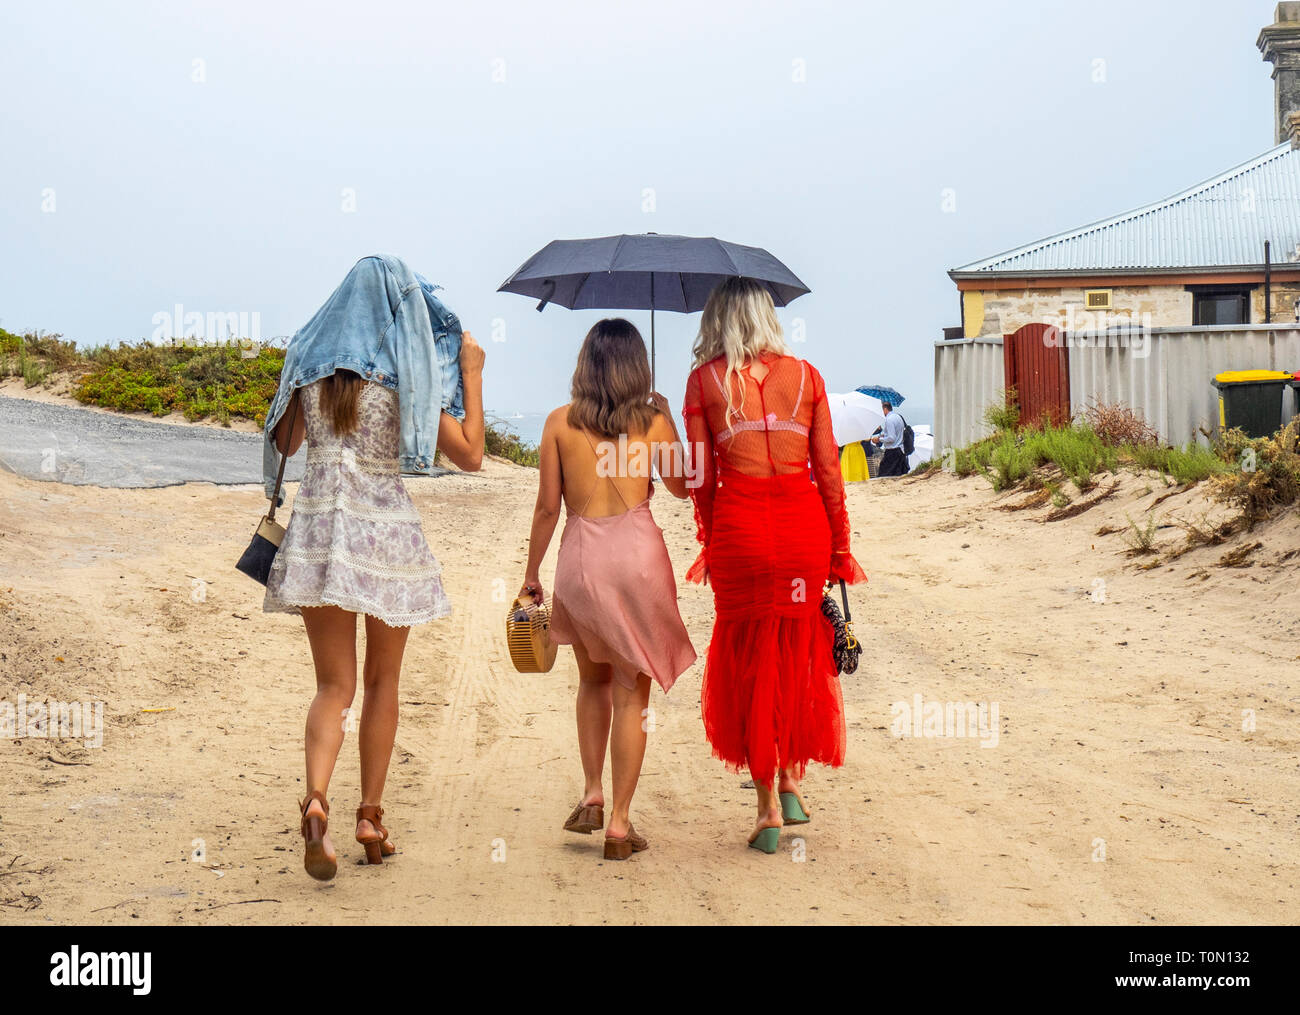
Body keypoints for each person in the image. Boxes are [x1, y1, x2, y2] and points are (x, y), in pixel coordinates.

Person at [261, 254, 486, 881]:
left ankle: (315, 801)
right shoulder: (406, 379)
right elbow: (470, 454)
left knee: (334, 688)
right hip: (386, 536)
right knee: (384, 682)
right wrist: (469, 374)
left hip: (321, 532)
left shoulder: (313, 370)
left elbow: (284, 446)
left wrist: (299, 369)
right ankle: (369, 817)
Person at [682, 277, 867, 854]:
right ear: (767, 315)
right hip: (801, 526)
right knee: (797, 648)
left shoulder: (704, 381)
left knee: (751, 656)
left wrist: (711, 542)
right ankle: (790, 781)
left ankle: (766, 809)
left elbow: (699, 480)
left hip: (740, 529)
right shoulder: (807, 377)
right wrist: (839, 546)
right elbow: (828, 472)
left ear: (717, 318)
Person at [520, 318, 696, 861]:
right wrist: (669, 421)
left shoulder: (557, 423)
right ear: (635, 368)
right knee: (630, 690)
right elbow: (683, 488)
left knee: (591, 679)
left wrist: (531, 575)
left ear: (585, 363)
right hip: (637, 558)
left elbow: (549, 507)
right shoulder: (653, 422)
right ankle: (620, 823)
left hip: (580, 560)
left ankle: (592, 792)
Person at [871, 401, 908, 476]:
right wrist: (882, 435)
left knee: (884, 473)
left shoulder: (889, 420)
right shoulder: (898, 417)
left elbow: (891, 438)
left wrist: (879, 439)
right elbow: (894, 432)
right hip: (900, 450)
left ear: (885, 409)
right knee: (897, 474)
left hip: (892, 451)